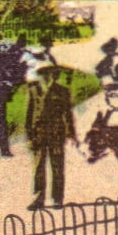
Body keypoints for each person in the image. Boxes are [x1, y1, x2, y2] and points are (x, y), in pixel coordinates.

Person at [23, 50, 79, 210]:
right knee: (38, 166)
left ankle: (57, 198)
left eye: (51, 73)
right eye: (43, 73)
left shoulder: (62, 91)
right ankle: (38, 198)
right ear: (39, 75)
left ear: (55, 74)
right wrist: (29, 137)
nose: (47, 76)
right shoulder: (33, 91)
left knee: (57, 166)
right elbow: (28, 117)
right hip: (39, 134)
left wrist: (71, 133)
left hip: (56, 133)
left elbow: (67, 114)